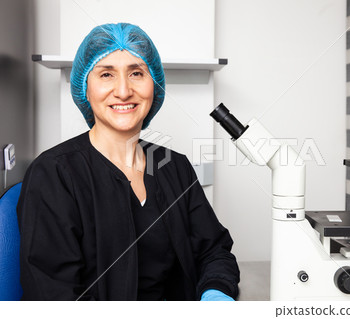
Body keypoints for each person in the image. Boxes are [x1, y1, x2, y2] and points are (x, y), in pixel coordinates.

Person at [17, 23, 240, 301]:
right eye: (107, 74)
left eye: (136, 73)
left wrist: (216, 292)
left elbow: (214, 251)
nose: (123, 91)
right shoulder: (53, 174)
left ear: (154, 84)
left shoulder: (175, 167)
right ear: (85, 88)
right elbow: (52, 294)